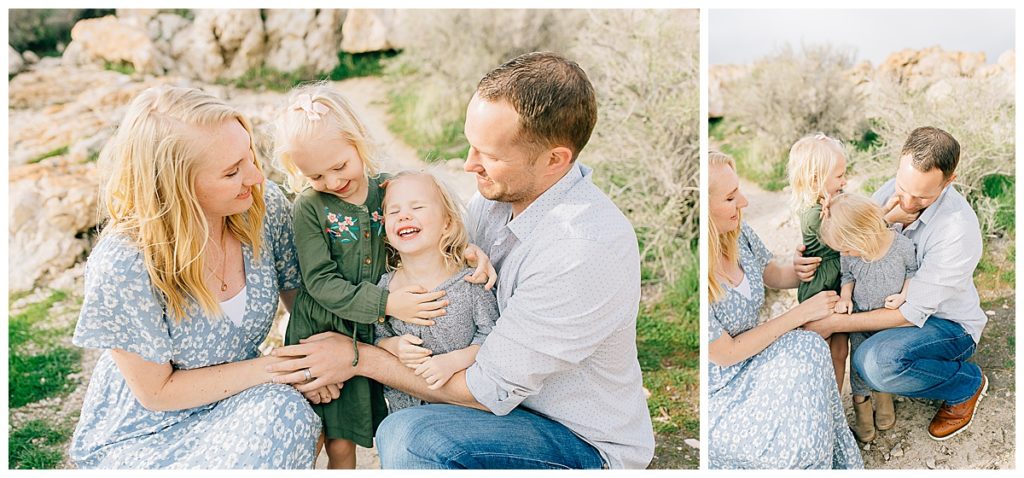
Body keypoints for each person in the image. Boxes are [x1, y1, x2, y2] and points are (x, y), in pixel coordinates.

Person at [270, 52, 655, 469]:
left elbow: (486, 389)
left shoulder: (583, 249)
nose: (469, 164)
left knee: (412, 437)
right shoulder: (498, 198)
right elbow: (432, 245)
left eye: (487, 154)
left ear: (554, 160)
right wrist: (463, 247)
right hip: (503, 413)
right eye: (470, 144)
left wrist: (359, 357)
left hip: (572, 438)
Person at [68, 85, 320, 468]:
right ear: (177, 187)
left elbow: (303, 303)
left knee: (287, 410)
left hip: (241, 399)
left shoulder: (263, 207)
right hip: (145, 433)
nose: (255, 176)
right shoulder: (124, 263)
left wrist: (319, 362)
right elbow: (156, 392)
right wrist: (274, 368)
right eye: (232, 171)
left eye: (249, 154)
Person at [273, 84, 495, 468]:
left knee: (372, 419)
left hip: (375, 327)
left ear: (358, 142)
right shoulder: (310, 207)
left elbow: (429, 221)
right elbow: (320, 281)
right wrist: (389, 302)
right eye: (316, 175)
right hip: (327, 324)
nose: (332, 181)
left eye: (339, 166)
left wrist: (465, 249)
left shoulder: (389, 190)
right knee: (331, 434)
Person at [803, 126, 989, 441]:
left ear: (949, 182)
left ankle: (966, 384)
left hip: (946, 325)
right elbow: (859, 236)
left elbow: (909, 313)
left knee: (875, 362)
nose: (905, 199)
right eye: (903, 186)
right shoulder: (896, 188)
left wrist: (834, 322)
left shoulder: (957, 230)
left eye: (921, 196)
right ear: (900, 164)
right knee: (868, 350)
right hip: (894, 309)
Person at [707, 151, 862, 469]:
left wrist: (800, 270)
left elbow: (772, 273)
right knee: (806, 342)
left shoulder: (739, 233)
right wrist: (799, 314)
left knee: (810, 347)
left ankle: (826, 444)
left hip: (756, 357)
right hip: (723, 386)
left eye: (740, 191)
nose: (745, 202)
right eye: (731, 197)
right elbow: (725, 353)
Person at [373, 171, 500, 411]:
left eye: (417, 207)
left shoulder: (469, 282)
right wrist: (394, 346)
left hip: (465, 410)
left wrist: (453, 362)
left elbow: (492, 338)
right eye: (394, 211)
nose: (404, 216)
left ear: (447, 223)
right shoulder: (386, 288)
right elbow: (377, 337)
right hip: (406, 413)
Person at [818, 193, 917, 442]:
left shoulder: (901, 246)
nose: (845, 252)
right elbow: (847, 277)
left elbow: (913, 272)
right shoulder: (851, 255)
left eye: (847, 247)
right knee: (859, 363)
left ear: (862, 234)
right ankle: (861, 405)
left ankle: (884, 397)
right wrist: (845, 298)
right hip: (861, 317)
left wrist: (904, 295)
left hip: (888, 319)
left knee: (882, 360)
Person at [786, 133, 850, 393]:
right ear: (816, 179)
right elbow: (845, 240)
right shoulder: (813, 215)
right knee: (818, 349)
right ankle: (816, 396)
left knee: (840, 348)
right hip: (821, 289)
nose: (844, 181)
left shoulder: (832, 201)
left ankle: (834, 398)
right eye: (839, 176)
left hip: (838, 282)